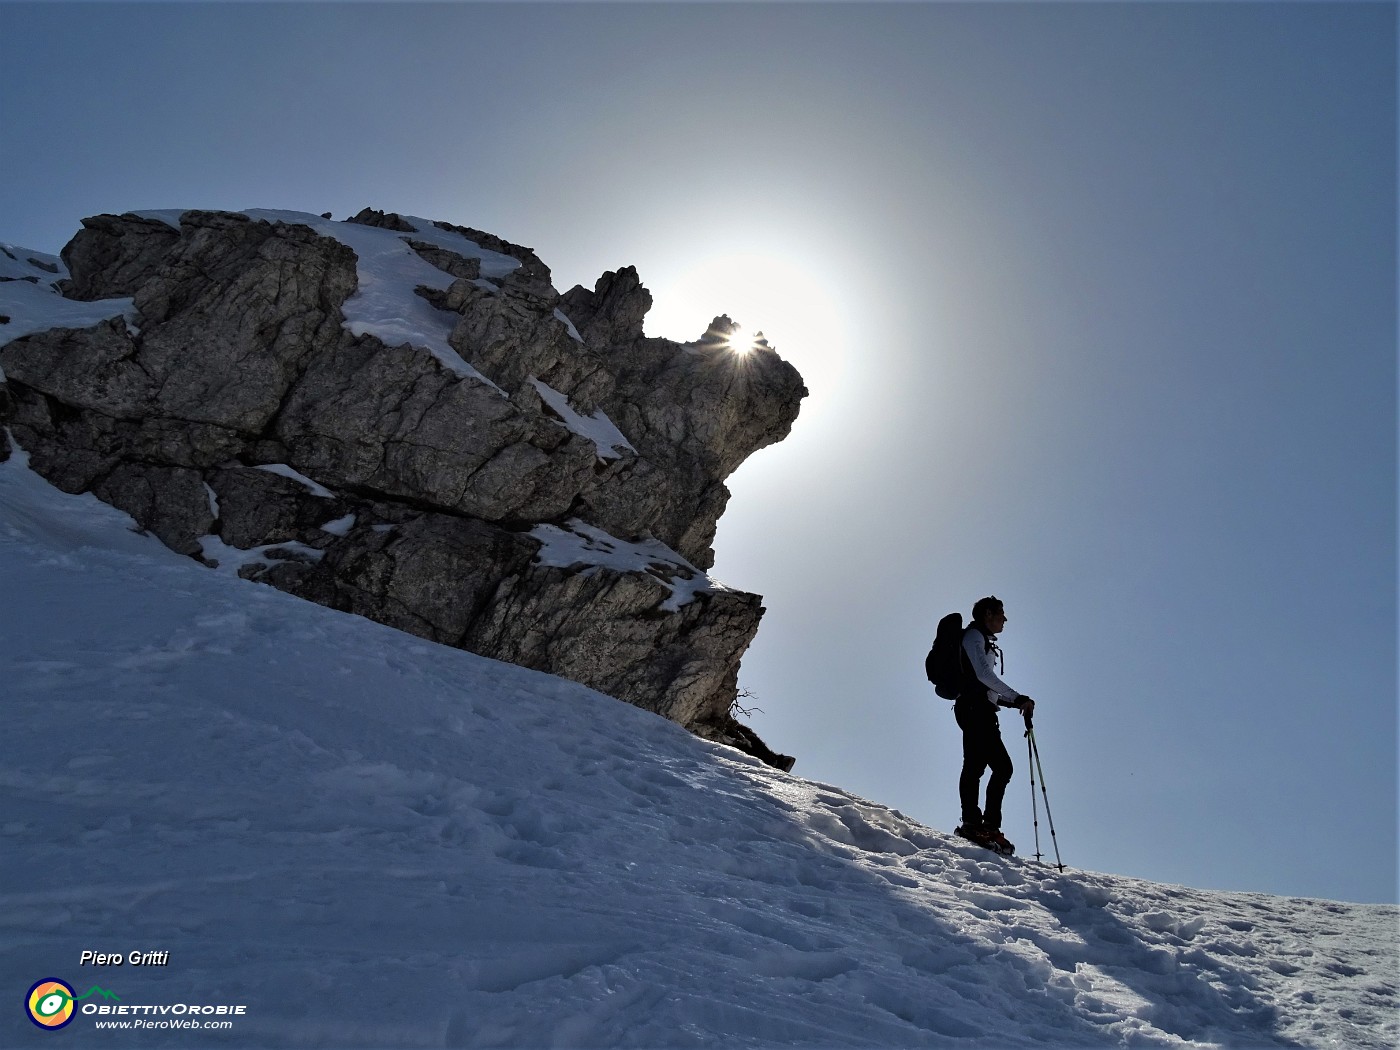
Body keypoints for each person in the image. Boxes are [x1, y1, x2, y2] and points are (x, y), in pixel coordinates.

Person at [953, 596, 1034, 854]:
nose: (1005, 619)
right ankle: (983, 826)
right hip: (975, 710)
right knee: (1001, 767)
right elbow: (983, 675)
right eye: (1001, 613)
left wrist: (1012, 702)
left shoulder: (980, 639)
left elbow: (985, 685)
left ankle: (975, 824)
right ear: (988, 614)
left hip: (977, 708)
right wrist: (1017, 696)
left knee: (976, 766)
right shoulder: (974, 636)